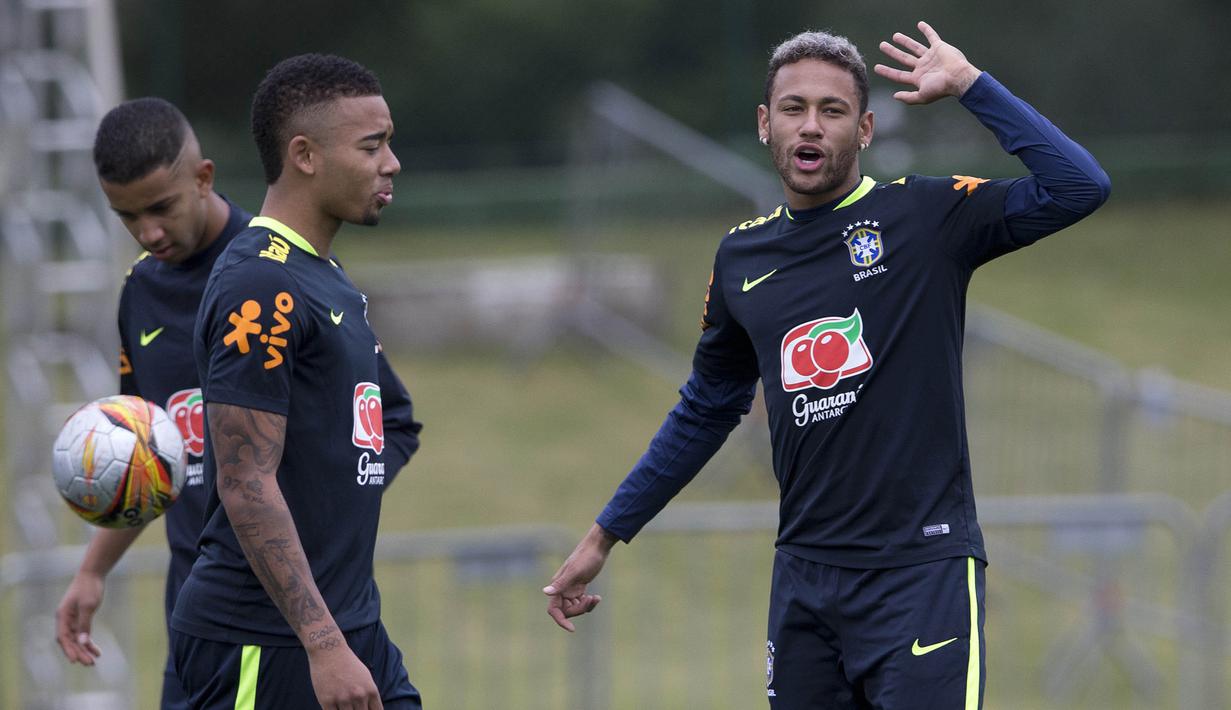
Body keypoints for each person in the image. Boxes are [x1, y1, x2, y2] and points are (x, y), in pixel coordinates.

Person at [543, 21, 1110, 709]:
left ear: (864, 130)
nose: (810, 127)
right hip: (806, 582)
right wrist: (607, 532)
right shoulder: (741, 258)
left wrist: (970, 86)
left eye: (831, 111)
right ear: (764, 124)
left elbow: (1077, 186)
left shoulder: (924, 218)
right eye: (793, 109)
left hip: (920, 574)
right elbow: (705, 408)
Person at [170, 53, 423, 709]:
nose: (390, 163)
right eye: (372, 146)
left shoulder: (324, 275)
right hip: (265, 643)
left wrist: (330, 501)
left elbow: (394, 423)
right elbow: (245, 478)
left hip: (351, 626)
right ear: (304, 154)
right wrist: (322, 644)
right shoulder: (261, 282)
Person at [54, 97, 253, 710]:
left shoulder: (277, 274)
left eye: (161, 208)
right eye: (127, 216)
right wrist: (93, 569)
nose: (149, 233)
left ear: (204, 177)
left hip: (267, 619)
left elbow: (388, 428)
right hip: (190, 613)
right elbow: (150, 456)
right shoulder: (140, 289)